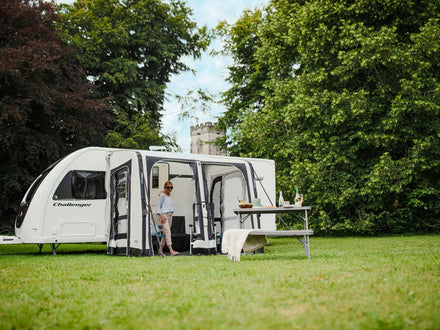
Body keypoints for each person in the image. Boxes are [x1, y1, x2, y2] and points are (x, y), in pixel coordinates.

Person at [155, 181, 179, 256]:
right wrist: (161, 216)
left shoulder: (169, 196)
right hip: (164, 216)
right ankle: (171, 250)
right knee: (168, 232)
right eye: (168, 187)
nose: (170, 189)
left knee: (165, 233)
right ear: (165, 188)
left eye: (171, 187)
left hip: (170, 215)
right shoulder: (162, 195)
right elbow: (158, 206)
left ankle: (160, 249)